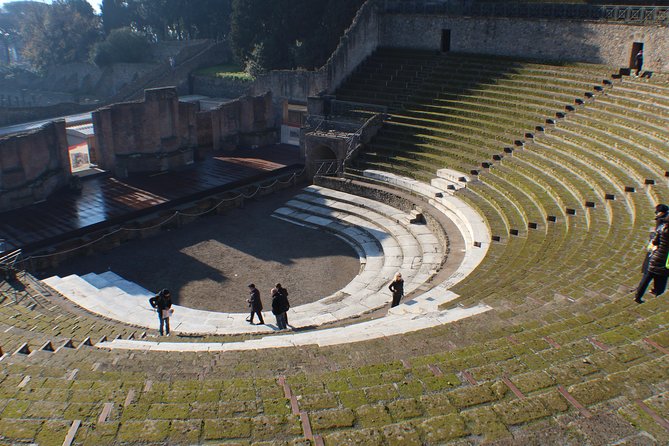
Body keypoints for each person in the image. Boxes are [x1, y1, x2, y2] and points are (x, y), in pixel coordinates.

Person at [635, 215, 669, 303]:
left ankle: (637, 297)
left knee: (646, 279)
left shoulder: (661, 229)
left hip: (655, 258)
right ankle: (657, 300)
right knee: (661, 284)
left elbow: (655, 241)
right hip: (665, 262)